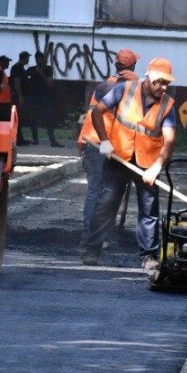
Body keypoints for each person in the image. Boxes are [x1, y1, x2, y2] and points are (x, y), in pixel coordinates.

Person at [82, 57, 178, 276]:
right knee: (106, 202)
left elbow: (170, 139)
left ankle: (149, 257)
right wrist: (105, 141)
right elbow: (97, 112)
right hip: (119, 156)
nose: (163, 87)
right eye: (160, 82)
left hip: (147, 163)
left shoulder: (167, 105)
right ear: (148, 76)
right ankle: (91, 250)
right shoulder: (123, 90)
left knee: (149, 209)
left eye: (167, 83)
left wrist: (157, 167)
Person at [76, 48, 139, 246]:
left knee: (104, 191)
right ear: (132, 66)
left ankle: (100, 234)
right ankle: (89, 236)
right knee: (98, 191)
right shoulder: (114, 87)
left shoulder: (104, 85)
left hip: (95, 143)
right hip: (97, 144)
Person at [26, 51, 61, 147]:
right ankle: (35, 139)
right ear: (36, 60)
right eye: (39, 59)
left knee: (48, 117)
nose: (41, 61)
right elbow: (24, 80)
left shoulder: (48, 69)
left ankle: (52, 139)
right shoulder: (31, 69)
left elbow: (50, 83)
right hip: (33, 96)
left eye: (42, 59)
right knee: (33, 117)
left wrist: (41, 74)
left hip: (44, 96)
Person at [10, 51, 31, 145]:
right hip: (18, 96)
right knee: (17, 117)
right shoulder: (17, 67)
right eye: (27, 58)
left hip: (21, 95)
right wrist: (20, 96)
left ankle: (20, 138)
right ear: (24, 58)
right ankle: (18, 139)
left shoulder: (20, 67)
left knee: (20, 117)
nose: (28, 60)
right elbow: (17, 82)